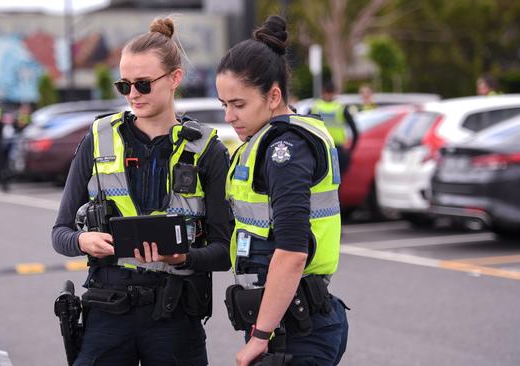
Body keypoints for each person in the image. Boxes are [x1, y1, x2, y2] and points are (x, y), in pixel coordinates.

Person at [52, 17, 232, 366]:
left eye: (144, 84)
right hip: (107, 310)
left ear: (175, 78)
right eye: (125, 85)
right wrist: (82, 242)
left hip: (175, 317)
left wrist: (183, 258)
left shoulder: (208, 151)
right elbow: (59, 233)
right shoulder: (98, 138)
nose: (133, 95)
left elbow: (225, 252)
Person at [215, 15, 349, 366]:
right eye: (224, 105)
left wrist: (260, 336)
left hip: (293, 329)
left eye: (238, 104)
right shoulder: (263, 143)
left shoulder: (284, 151)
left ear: (273, 95)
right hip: (288, 320)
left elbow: (292, 251)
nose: (229, 116)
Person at [310, 81, 358, 176]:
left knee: (321, 178)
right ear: (334, 92)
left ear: (322, 92)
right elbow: (355, 131)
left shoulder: (315, 107)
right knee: (337, 179)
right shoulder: (340, 108)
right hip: (336, 149)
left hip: (320, 148)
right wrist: (351, 150)